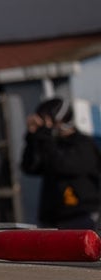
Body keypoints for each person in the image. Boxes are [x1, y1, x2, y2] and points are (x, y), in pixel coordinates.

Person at [20, 97, 101, 230]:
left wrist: (45, 134)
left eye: (46, 119)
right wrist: (32, 137)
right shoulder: (51, 143)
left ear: (59, 120)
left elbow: (62, 165)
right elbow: (30, 167)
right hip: (54, 218)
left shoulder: (84, 144)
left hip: (81, 215)